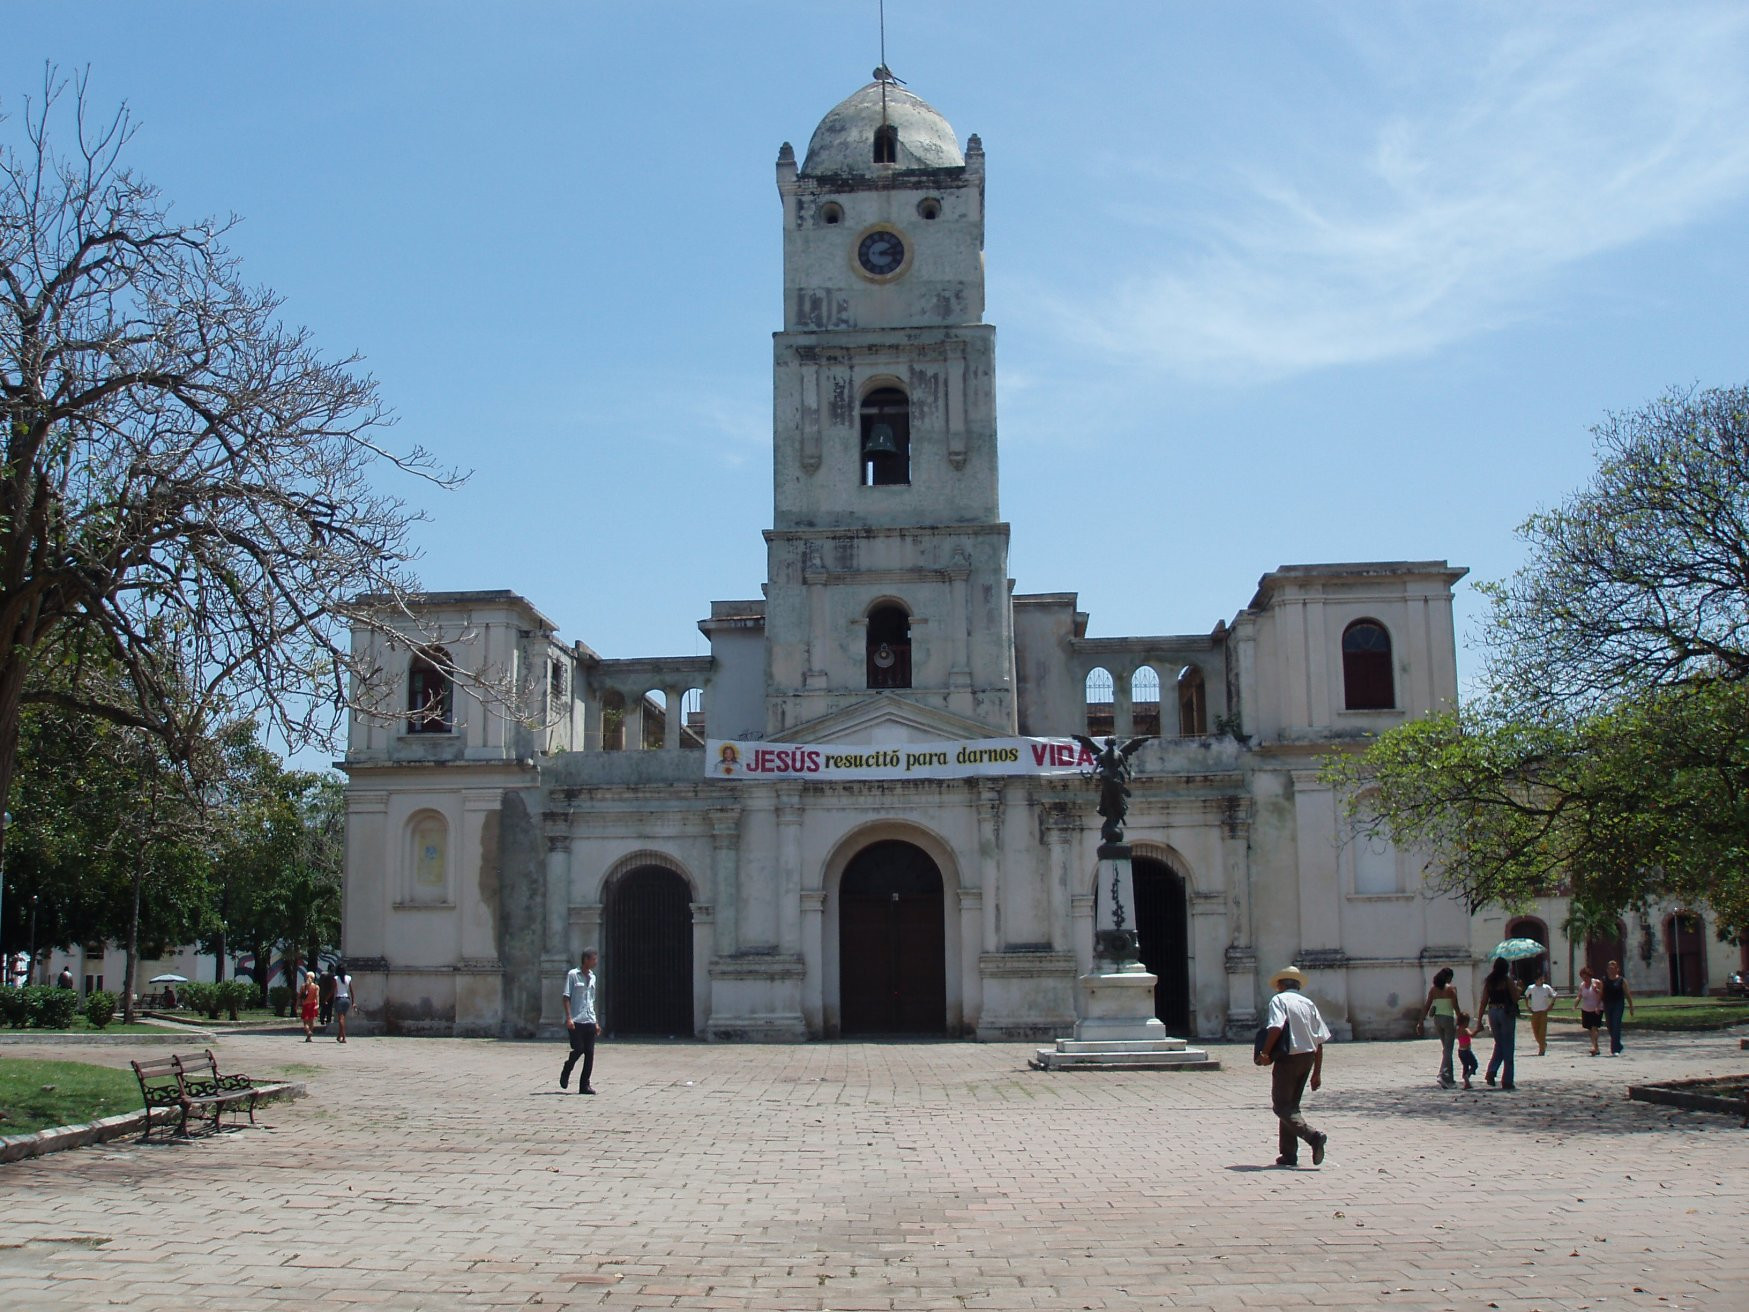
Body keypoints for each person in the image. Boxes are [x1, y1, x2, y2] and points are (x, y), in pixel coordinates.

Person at [1253, 965, 1331, 1167]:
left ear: (1280, 985)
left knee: (1281, 1106)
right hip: (1308, 1057)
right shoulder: (1309, 1004)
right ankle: (1288, 1154)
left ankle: (1313, 1136)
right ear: (1297, 986)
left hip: (1288, 1058)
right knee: (1291, 1106)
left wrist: (1265, 1052)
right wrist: (1317, 1073)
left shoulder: (1279, 1000)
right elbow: (1319, 1040)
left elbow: (1276, 1027)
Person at [560, 948, 600, 1095]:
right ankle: (567, 1068)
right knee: (579, 1049)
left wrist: (595, 1021)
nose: (596, 962)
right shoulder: (573, 975)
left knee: (589, 1053)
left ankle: (585, 1085)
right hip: (576, 1020)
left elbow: (591, 1000)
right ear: (586, 960)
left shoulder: (593, 977)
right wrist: (569, 1017)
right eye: (594, 959)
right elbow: (566, 997)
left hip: (589, 1019)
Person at [1476, 957, 1521, 1090]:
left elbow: (1483, 1001)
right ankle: (1507, 1079)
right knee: (1508, 1045)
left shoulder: (1489, 981)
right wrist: (1519, 988)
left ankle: (1492, 1070)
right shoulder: (1507, 980)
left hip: (1492, 1012)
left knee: (1499, 1043)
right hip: (1505, 1012)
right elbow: (1515, 998)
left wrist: (1479, 1020)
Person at [1417, 967, 1460, 1088]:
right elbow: (1456, 1006)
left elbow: (1427, 1005)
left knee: (1446, 1048)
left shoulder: (1433, 989)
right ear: (1448, 977)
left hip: (1437, 1020)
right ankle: (1443, 1074)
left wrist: (1420, 1022)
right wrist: (1461, 1018)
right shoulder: (1451, 989)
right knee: (1448, 1049)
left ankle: (1450, 1078)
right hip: (1448, 1019)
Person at [1602, 959, 1634, 1056]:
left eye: (1613, 968)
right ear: (1607, 969)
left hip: (1618, 1004)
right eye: (1609, 968)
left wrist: (1631, 1006)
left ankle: (1615, 1049)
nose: (1611, 970)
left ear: (1617, 969)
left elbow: (1627, 994)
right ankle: (1618, 1045)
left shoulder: (1621, 980)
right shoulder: (1604, 980)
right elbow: (1600, 993)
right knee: (1609, 1025)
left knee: (1616, 1024)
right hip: (1607, 1004)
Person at [1525, 972, 1558, 1055]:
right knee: (1536, 1031)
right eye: (1540, 979)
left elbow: (1554, 995)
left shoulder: (1546, 987)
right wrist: (1527, 1006)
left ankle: (1541, 1049)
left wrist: (1551, 1005)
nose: (1541, 981)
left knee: (1542, 1032)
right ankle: (1543, 1044)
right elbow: (1526, 996)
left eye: (1542, 979)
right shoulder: (1531, 988)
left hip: (1543, 1011)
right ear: (1536, 980)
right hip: (1535, 1012)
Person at [1575, 966, 1604, 1056]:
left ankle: (1593, 1046)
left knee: (1594, 1027)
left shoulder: (1596, 982)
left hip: (1596, 1008)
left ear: (1589, 975)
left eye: (1586, 976)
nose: (1585, 978)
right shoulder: (1582, 985)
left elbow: (1602, 994)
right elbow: (1579, 996)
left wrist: (1597, 991)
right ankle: (1596, 1048)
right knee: (1590, 1029)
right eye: (1583, 977)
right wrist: (1575, 1005)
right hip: (1586, 1009)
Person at [1455, 1012, 1479, 1089]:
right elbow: (1471, 1035)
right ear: (1465, 1022)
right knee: (1474, 1065)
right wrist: (1477, 1030)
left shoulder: (1458, 1030)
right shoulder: (1465, 1030)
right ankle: (1467, 1075)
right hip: (1467, 1051)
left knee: (1465, 1066)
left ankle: (1467, 1083)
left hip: (1460, 1051)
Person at [331, 963, 354, 1043]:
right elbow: (351, 991)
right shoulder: (348, 978)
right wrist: (353, 1002)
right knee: (343, 1018)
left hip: (339, 998)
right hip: (347, 999)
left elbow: (333, 990)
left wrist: (327, 998)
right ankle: (339, 1035)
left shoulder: (336, 978)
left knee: (341, 1018)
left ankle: (343, 1037)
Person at [300, 970, 320, 1042]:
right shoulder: (316, 987)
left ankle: (308, 1032)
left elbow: (299, 996)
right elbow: (317, 995)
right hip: (313, 1004)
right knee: (311, 1021)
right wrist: (318, 1004)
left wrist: (297, 1005)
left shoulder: (303, 986)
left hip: (305, 1005)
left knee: (305, 1022)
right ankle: (309, 1036)